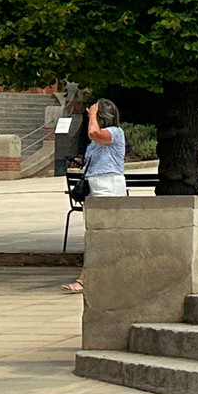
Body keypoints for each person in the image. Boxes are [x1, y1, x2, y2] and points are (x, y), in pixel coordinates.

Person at [65, 97, 125, 295]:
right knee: (96, 233)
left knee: (100, 233)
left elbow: (93, 132)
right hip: (96, 185)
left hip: (108, 185)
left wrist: (91, 115)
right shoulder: (96, 142)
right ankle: (97, 277)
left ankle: (84, 280)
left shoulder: (115, 133)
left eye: (94, 114)